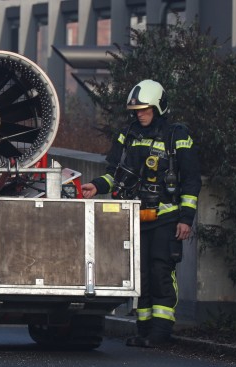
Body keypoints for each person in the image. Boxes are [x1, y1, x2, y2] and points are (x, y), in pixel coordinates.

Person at [82, 79, 201, 348]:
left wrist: (185, 219)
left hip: (167, 217)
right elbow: (114, 173)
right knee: (141, 276)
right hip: (135, 216)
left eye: (144, 109)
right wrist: (97, 186)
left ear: (158, 107)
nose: (139, 114)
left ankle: (160, 334)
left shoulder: (178, 136)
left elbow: (192, 180)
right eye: (136, 110)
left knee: (161, 271)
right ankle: (144, 330)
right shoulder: (128, 135)